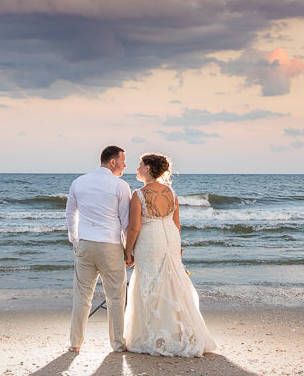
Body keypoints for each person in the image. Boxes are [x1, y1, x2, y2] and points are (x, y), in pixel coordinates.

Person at [123, 152, 216, 357]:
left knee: (149, 281)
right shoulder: (171, 193)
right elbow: (177, 223)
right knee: (172, 281)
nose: (137, 168)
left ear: (147, 168)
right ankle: (177, 332)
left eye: (140, 164)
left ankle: (152, 335)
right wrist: (177, 247)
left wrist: (127, 251)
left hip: (151, 239)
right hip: (171, 237)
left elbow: (134, 228)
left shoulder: (138, 194)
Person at [65, 145, 131, 353]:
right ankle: (117, 344)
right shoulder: (121, 186)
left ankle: (75, 343)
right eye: (123, 161)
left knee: (82, 297)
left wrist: (75, 240)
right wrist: (129, 250)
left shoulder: (79, 182)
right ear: (112, 162)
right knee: (115, 297)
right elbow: (126, 222)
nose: (125, 165)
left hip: (85, 244)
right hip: (110, 246)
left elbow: (70, 214)